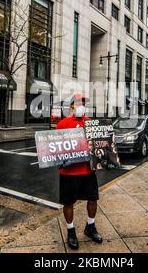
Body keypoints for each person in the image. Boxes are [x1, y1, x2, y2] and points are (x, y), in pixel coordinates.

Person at [56, 94, 103, 250]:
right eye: (78, 103)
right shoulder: (62, 124)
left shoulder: (90, 123)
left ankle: (90, 227)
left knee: (93, 199)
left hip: (88, 170)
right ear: (71, 106)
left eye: (83, 103)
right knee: (68, 202)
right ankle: (70, 231)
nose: (81, 106)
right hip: (68, 173)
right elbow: (55, 148)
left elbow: (98, 145)